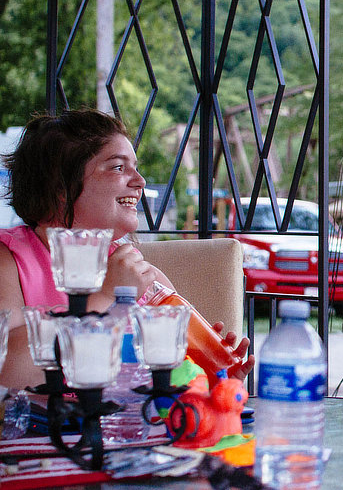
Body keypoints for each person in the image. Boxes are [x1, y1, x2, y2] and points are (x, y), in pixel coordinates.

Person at [0, 108, 253, 390]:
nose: (140, 181)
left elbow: (183, 385)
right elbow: (7, 371)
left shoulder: (143, 275)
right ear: (61, 186)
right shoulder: (9, 260)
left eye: (135, 166)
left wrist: (217, 379)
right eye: (118, 167)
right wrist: (104, 296)